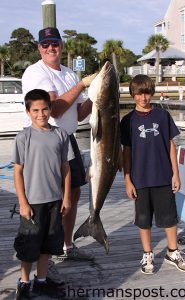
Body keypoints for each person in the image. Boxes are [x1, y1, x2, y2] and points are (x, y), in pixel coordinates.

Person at [22, 27, 96, 261]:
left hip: (68, 139)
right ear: (39, 48)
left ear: (61, 45)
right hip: (47, 141)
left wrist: (98, 92)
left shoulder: (68, 73)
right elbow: (54, 110)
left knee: (72, 193)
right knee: (49, 198)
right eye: (46, 44)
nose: (51, 47)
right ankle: (47, 250)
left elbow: (81, 113)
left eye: (55, 43)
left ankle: (66, 245)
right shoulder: (36, 72)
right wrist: (83, 85)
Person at [120, 74, 185, 275]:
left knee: (169, 217)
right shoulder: (127, 121)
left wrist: (175, 174)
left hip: (163, 175)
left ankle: (172, 252)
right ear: (133, 95)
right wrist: (127, 179)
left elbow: (170, 145)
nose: (143, 98)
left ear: (151, 93)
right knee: (143, 219)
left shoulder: (162, 115)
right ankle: (147, 254)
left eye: (147, 93)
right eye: (139, 94)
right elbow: (126, 151)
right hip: (139, 178)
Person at [13, 89, 73, 299]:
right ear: (28, 111)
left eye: (45, 109)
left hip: (55, 200)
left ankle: (41, 280)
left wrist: (66, 197)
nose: (41, 114)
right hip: (32, 203)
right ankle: (24, 282)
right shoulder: (23, 137)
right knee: (29, 245)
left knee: (49, 242)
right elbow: (18, 171)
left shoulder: (60, 135)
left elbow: (66, 168)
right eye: (35, 110)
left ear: (50, 109)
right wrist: (23, 202)